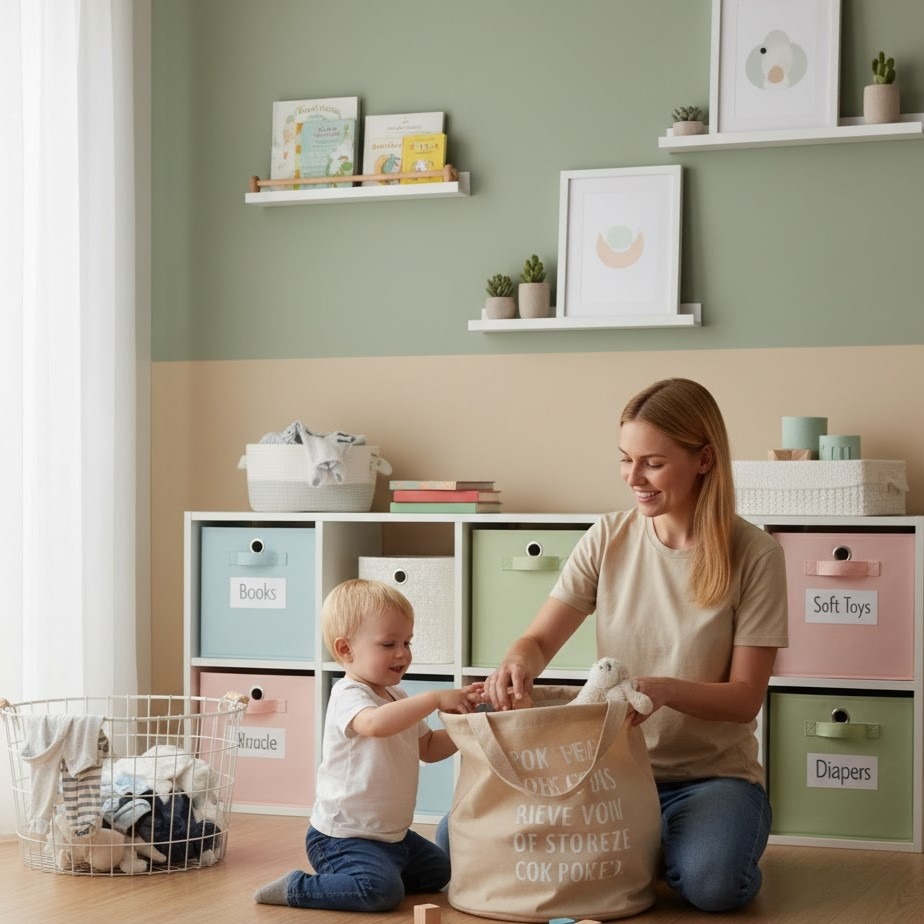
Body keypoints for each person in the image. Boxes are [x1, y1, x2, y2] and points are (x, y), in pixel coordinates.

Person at [482, 378, 788, 914]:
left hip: (710, 779)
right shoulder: (608, 535)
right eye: (625, 460)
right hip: (605, 773)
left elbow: (744, 698)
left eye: (652, 463)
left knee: (714, 884)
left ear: (704, 460)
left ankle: (655, 850)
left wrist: (663, 690)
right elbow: (539, 639)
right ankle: (647, 850)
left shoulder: (756, 554)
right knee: (455, 839)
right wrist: (517, 661)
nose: (633, 478)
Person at [254, 578, 482, 911]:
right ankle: (297, 887)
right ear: (346, 649)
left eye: (407, 641)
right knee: (380, 893)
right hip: (341, 838)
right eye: (389, 644)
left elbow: (430, 748)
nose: (403, 653)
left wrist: (472, 728)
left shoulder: (397, 695)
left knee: (439, 871)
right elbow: (374, 724)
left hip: (393, 836)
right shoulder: (349, 694)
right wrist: (434, 698)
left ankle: (380, 870)